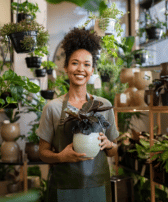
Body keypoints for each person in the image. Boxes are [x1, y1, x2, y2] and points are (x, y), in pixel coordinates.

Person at [36, 27, 119, 202]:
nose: (80, 69)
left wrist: (108, 144)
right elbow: (42, 152)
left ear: (92, 70)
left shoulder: (104, 105)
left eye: (87, 64)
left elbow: (114, 152)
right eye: (75, 63)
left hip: (98, 188)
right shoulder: (53, 107)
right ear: (66, 67)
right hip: (64, 189)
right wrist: (60, 157)